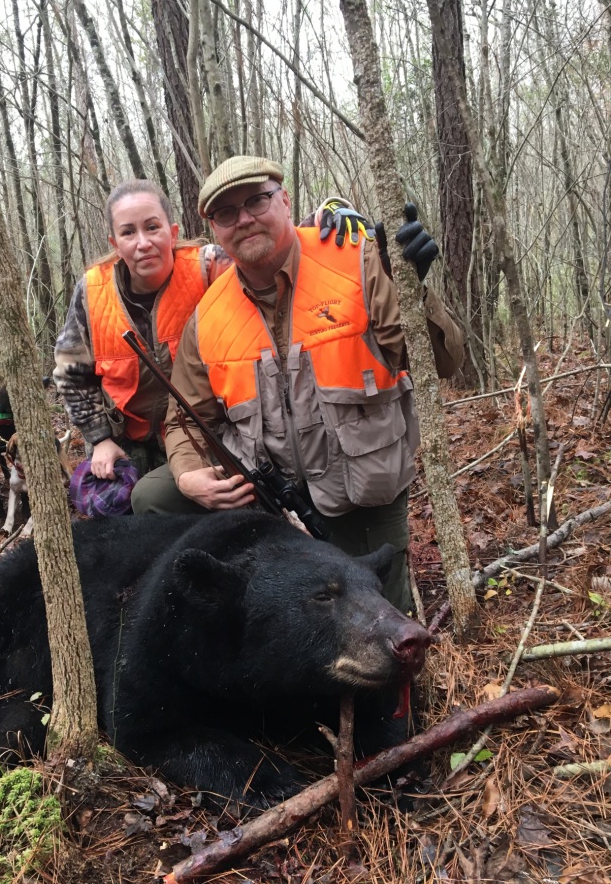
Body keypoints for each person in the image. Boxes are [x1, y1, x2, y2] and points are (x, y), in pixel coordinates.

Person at [132, 156, 464, 613]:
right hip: (268, 493)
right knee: (154, 495)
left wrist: (412, 289)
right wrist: (190, 476)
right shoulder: (209, 316)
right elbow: (184, 419)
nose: (244, 219)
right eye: (226, 213)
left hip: (357, 492)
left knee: (380, 624)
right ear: (214, 229)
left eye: (256, 201)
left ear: (285, 200)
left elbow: (443, 362)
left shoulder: (357, 260)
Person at [53, 179, 232, 511]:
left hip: (205, 431)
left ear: (173, 231)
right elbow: (71, 372)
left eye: (152, 227)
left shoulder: (210, 268)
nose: (143, 242)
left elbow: (265, 249)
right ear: (115, 243)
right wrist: (100, 438)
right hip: (127, 439)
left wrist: (331, 215)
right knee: (112, 516)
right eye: (128, 232)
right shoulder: (93, 292)